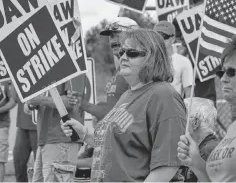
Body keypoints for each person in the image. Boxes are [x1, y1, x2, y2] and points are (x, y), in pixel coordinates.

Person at [62, 29, 187, 182]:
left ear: (152, 57)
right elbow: (118, 145)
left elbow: (168, 164)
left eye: (132, 53)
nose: (123, 57)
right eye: (121, 52)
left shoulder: (163, 95)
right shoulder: (126, 95)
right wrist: (85, 134)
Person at [177, 39, 236, 182]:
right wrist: (196, 163)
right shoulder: (232, 129)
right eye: (222, 72)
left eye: (231, 72)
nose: (223, 79)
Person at [69, 17, 138, 121]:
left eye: (117, 35)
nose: (113, 40)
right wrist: (83, 104)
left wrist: (85, 105)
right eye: (111, 36)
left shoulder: (136, 70)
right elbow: (111, 111)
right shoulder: (121, 69)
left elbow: (117, 115)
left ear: (133, 35)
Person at [172, 18, 217, 105]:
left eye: (180, 36)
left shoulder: (201, 45)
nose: (179, 40)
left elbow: (202, 71)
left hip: (203, 97)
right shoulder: (184, 49)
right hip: (190, 98)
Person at [154, 21, 194, 98]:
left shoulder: (183, 61)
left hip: (173, 108)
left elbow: (189, 95)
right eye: (156, 37)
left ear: (172, 39)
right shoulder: (146, 60)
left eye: (163, 36)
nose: (159, 40)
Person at [10, 85, 38, 182]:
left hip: (39, 126)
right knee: (18, 160)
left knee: (40, 165)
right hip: (23, 125)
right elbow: (13, 99)